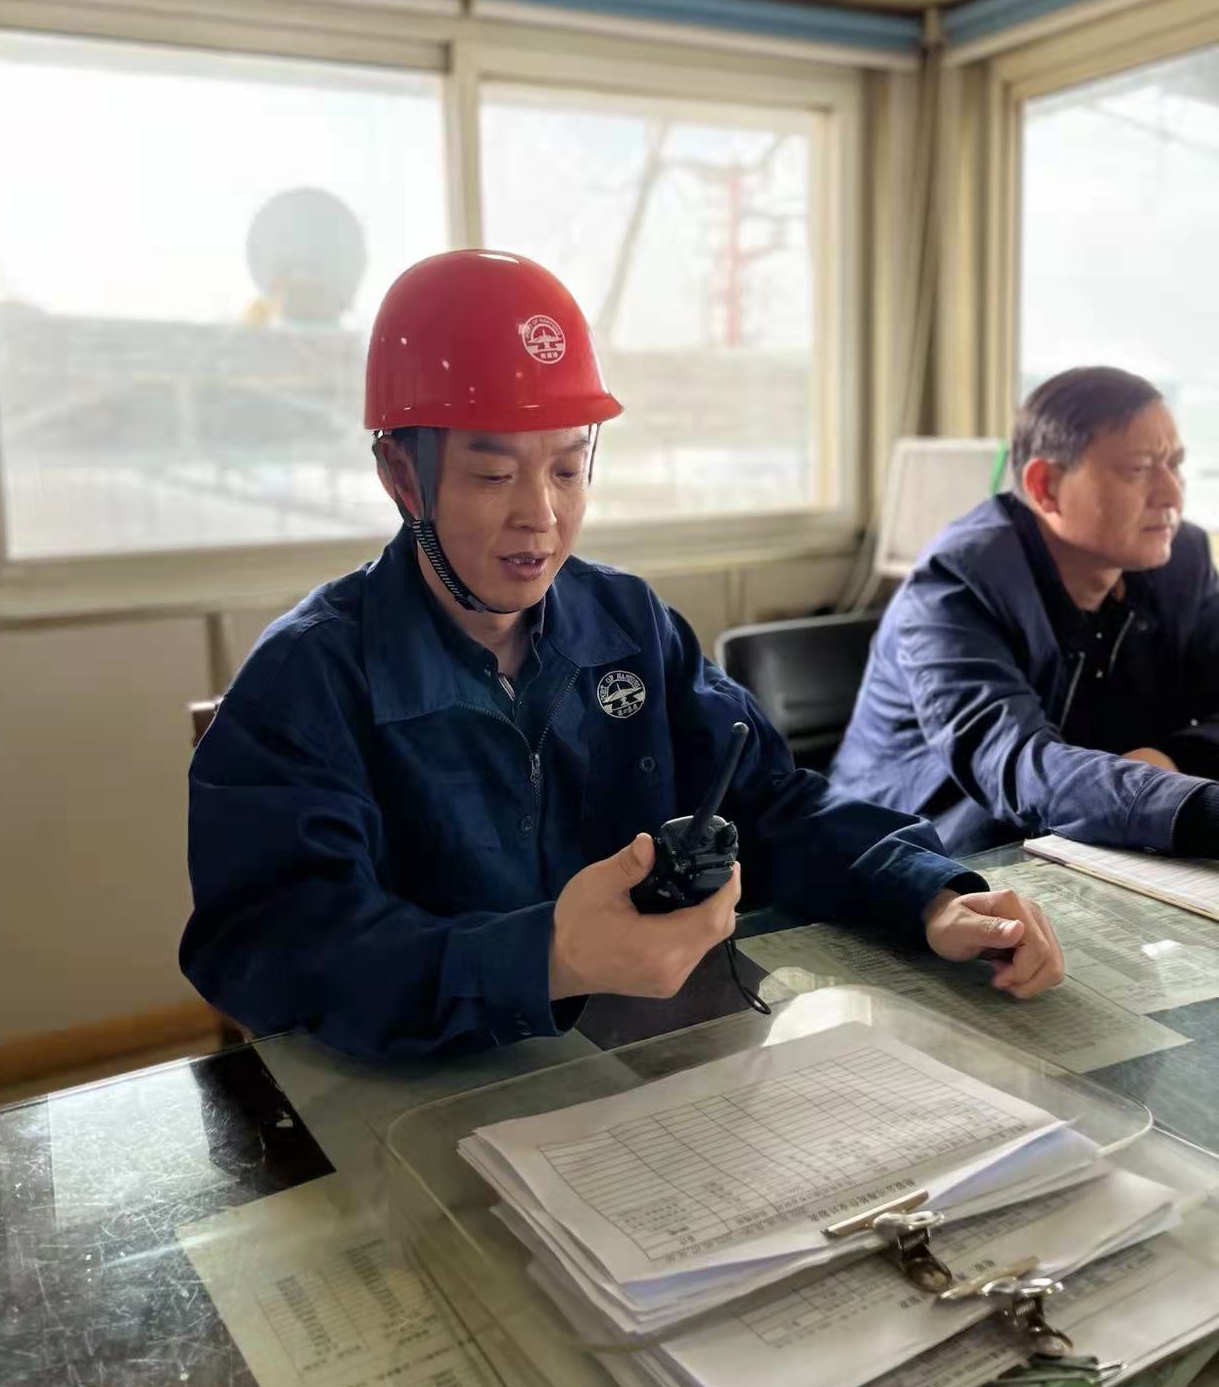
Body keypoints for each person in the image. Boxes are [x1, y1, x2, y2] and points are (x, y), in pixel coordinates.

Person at [181, 251, 1063, 1060]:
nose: (540, 516)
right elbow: (272, 948)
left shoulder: (628, 623)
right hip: (418, 1092)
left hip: (649, 1062)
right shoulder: (310, 678)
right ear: (401, 476)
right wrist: (547, 958)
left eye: (568, 470)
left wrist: (930, 893)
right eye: (493, 475)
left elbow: (770, 802)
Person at [833, 366, 1219, 856]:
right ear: (1046, 486)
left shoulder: (1180, 558)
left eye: (1175, 465)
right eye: (1139, 469)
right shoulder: (955, 583)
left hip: (1084, 837)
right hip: (914, 852)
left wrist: (1170, 758)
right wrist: (1199, 810)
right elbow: (1019, 768)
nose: (1172, 495)